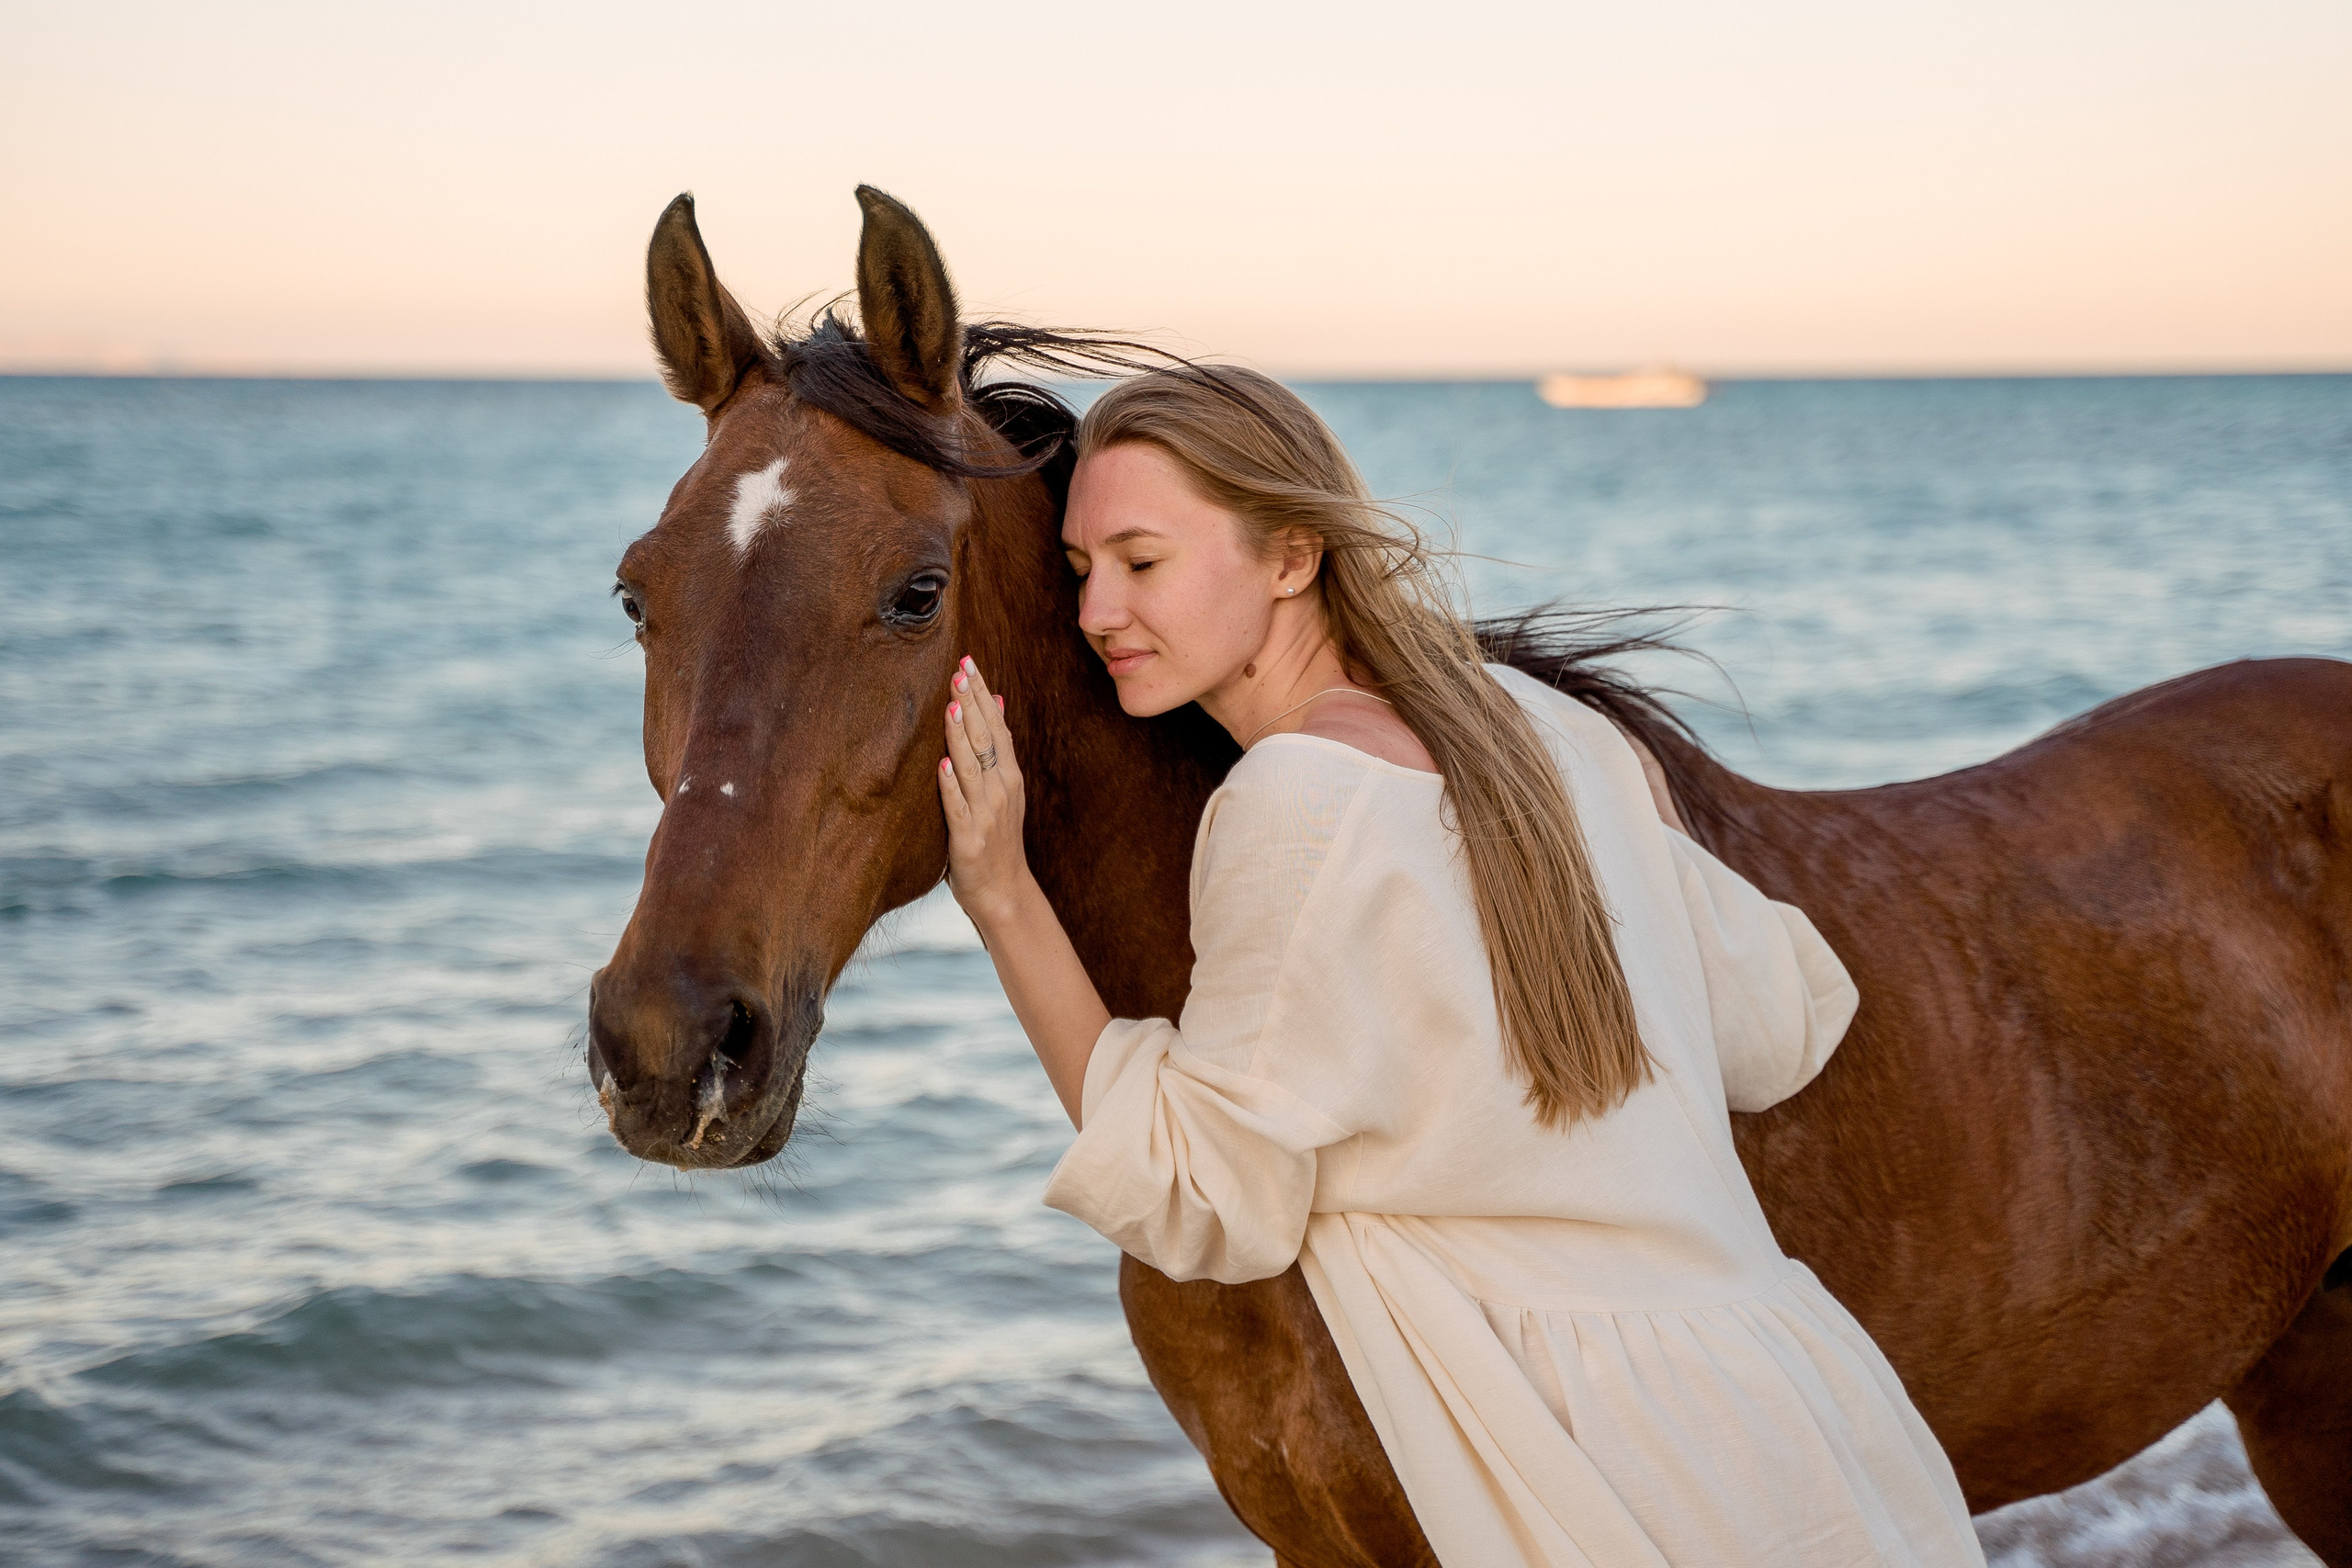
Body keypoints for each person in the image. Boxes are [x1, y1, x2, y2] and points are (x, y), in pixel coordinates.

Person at [932, 365, 1984, 1567]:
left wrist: (1002, 895)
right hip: (1785, 1424)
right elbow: (1778, 1016)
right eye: (1079, 571)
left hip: (1566, 1474)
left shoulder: (1291, 799)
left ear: (1290, 556)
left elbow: (1203, 1196)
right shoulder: (1558, 734)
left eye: (1143, 561)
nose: (1097, 613)